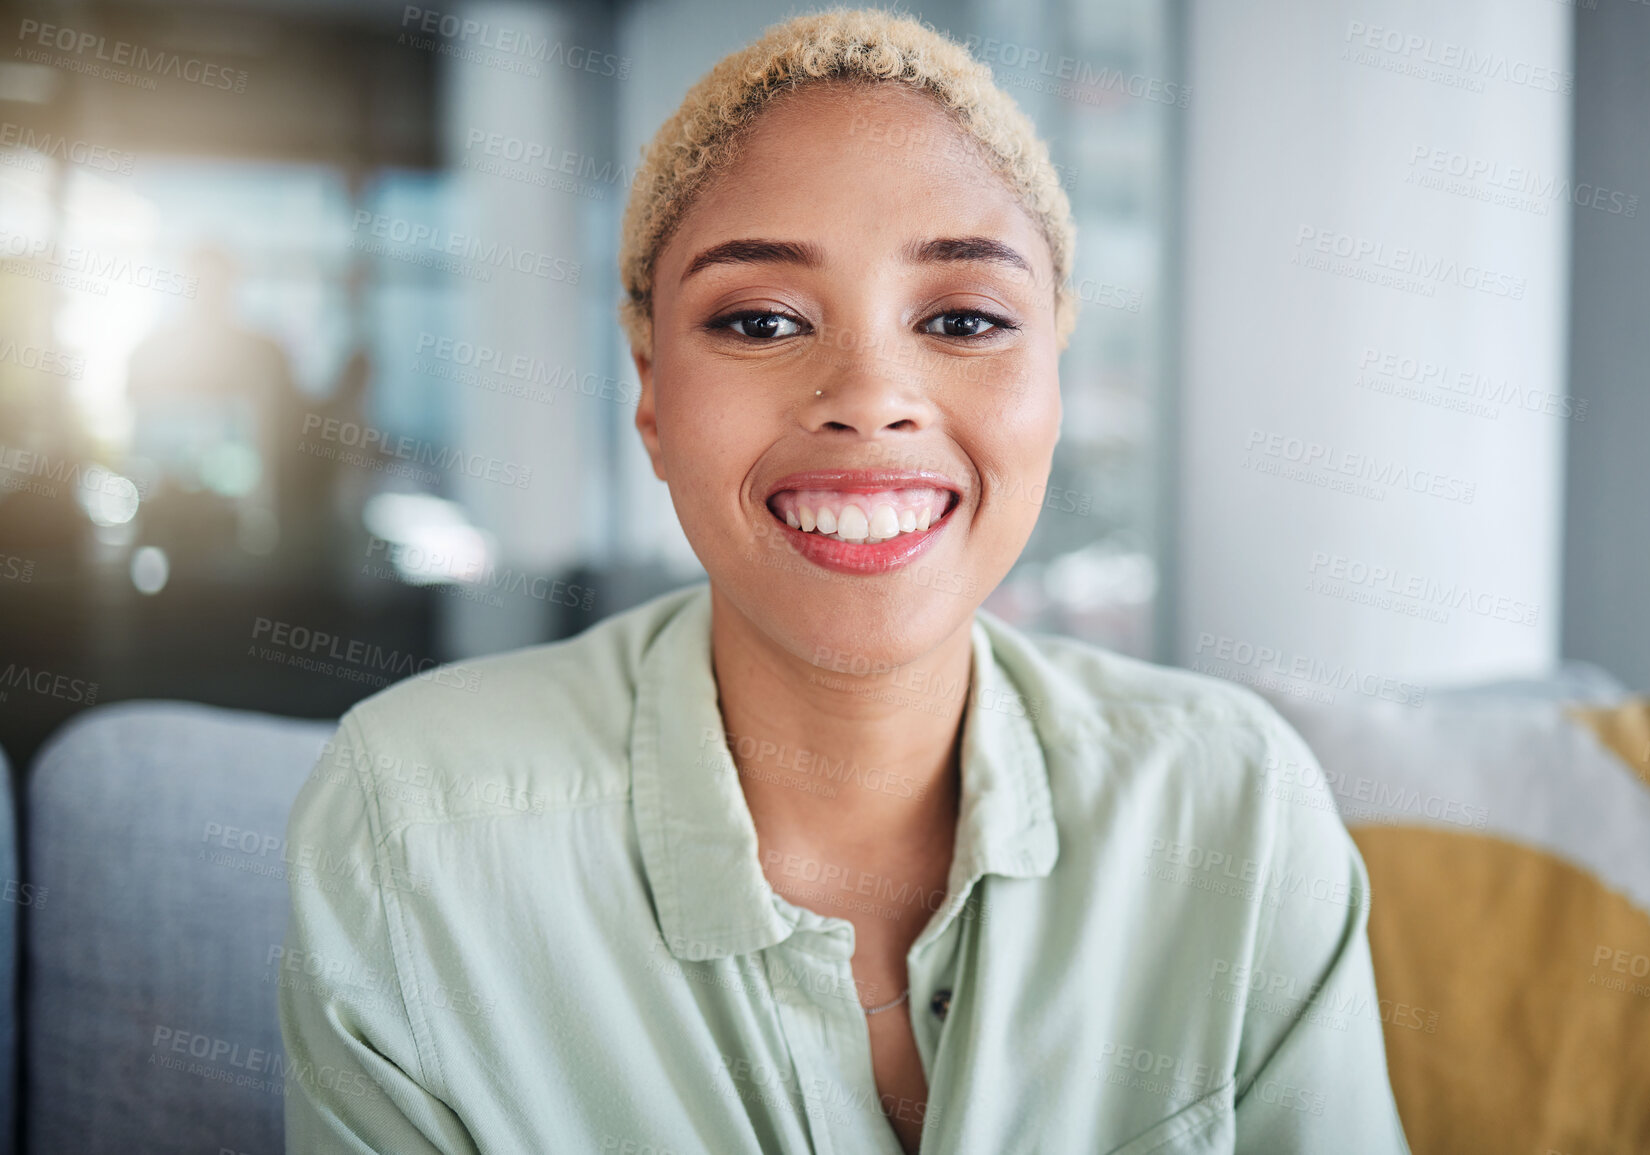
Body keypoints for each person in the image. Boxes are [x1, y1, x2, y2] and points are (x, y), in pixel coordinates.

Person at [278, 10, 1411, 1153]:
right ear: (654, 395)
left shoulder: (1236, 809)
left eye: (964, 318)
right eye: (761, 320)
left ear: (1052, 387)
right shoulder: (412, 831)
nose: (870, 397)